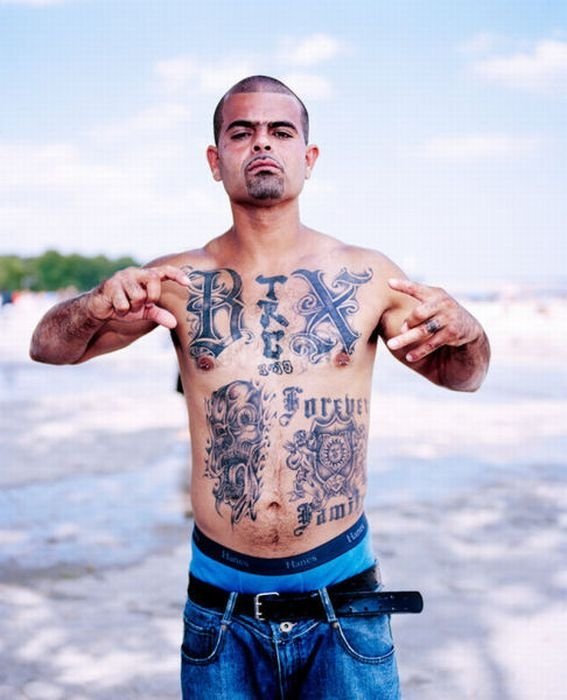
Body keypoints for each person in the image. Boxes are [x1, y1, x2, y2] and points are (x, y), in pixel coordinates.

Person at [30, 75, 490, 699]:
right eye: (241, 132)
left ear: (309, 156)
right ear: (215, 161)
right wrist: (93, 305)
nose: (262, 144)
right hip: (220, 612)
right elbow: (48, 347)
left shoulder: (367, 276)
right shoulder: (176, 280)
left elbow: (463, 376)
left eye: (281, 131)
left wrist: (469, 331)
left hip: (343, 610)